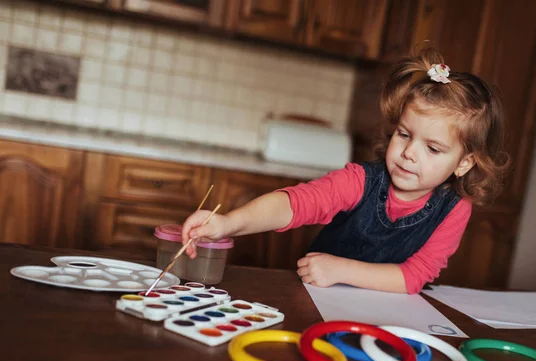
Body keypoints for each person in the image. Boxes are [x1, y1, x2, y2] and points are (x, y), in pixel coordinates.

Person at [181, 47, 509, 294]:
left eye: (433, 148)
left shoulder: (455, 209)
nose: (409, 153)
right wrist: (228, 223)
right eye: (405, 135)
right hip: (317, 296)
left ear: (465, 162)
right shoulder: (361, 181)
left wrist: (341, 269)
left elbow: (415, 276)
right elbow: (295, 203)